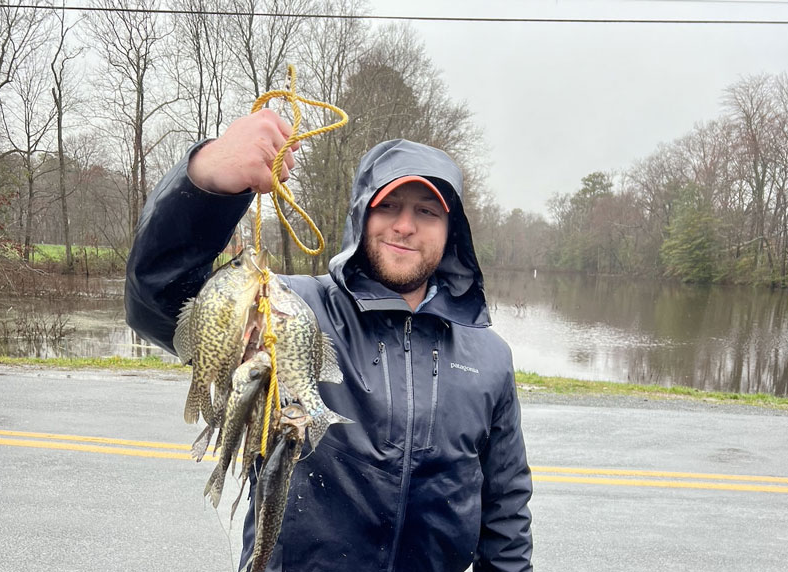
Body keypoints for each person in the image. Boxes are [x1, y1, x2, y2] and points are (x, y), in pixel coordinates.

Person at [125, 109, 533, 572]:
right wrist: (209, 180)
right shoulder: (291, 309)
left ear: (450, 229)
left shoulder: (490, 357)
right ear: (362, 214)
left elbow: (506, 511)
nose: (405, 225)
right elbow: (156, 299)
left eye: (426, 211)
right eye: (389, 206)